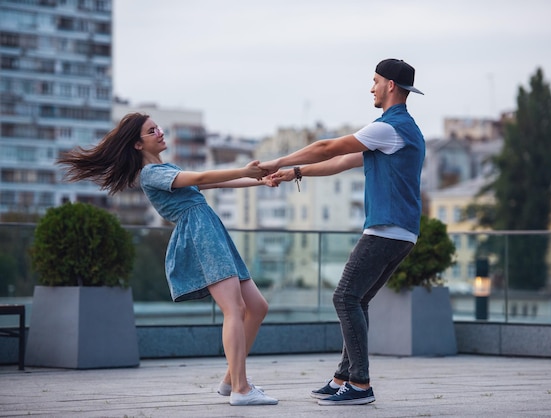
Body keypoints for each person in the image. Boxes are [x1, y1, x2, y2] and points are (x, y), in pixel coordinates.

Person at [57, 113, 278, 406]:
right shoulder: (151, 174)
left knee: (257, 307)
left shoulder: (166, 168)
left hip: (211, 231)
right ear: (138, 144)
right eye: (152, 130)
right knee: (234, 308)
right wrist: (245, 170)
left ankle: (230, 381)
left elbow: (210, 185)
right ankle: (241, 388)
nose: (160, 132)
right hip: (200, 236)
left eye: (157, 127)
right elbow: (201, 177)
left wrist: (258, 181)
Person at [261, 58, 426, 406]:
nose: (372, 88)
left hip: (386, 227)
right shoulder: (403, 131)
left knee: (344, 297)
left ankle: (361, 385)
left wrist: (277, 161)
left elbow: (328, 147)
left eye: (375, 81)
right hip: (403, 231)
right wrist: (296, 173)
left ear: (390, 86)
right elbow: (340, 162)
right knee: (358, 299)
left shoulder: (388, 128)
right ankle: (343, 377)